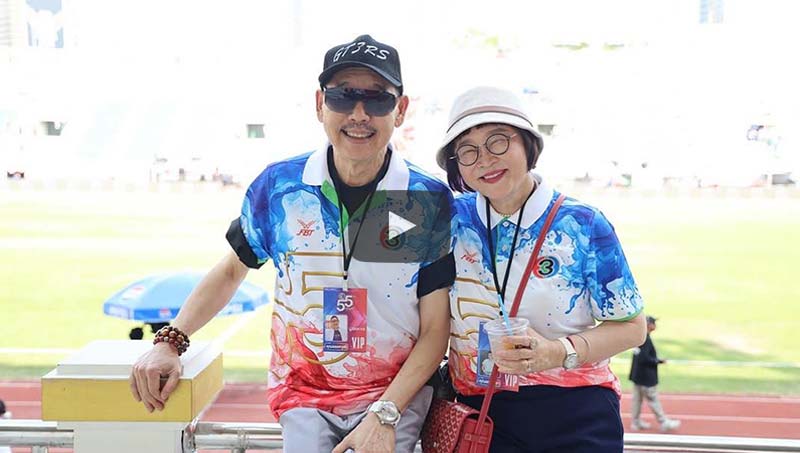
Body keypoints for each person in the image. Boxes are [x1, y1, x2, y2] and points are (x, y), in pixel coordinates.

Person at [129, 34, 454, 453]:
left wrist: (386, 412)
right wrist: (169, 342)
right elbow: (232, 269)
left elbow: (435, 329)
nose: (359, 114)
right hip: (303, 395)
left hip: (393, 396)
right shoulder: (280, 186)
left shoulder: (426, 199)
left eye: (377, 99)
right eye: (342, 96)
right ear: (320, 104)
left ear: (401, 109)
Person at [437, 86, 647, 452]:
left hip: (576, 413)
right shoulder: (447, 220)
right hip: (479, 415)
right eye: (468, 150)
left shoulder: (583, 224)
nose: (485, 160)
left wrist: (556, 351)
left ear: (528, 144)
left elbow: (632, 327)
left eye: (498, 141)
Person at [629, 315, 681, 432]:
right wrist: (658, 361)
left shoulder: (639, 337)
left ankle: (635, 422)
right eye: (653, 323)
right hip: (646, 378)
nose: (655, 325)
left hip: (638, 376)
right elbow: (644, 358)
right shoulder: (645, 339)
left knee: (637, 400)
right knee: (653, 400)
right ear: (648, 325)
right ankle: (663, 422)